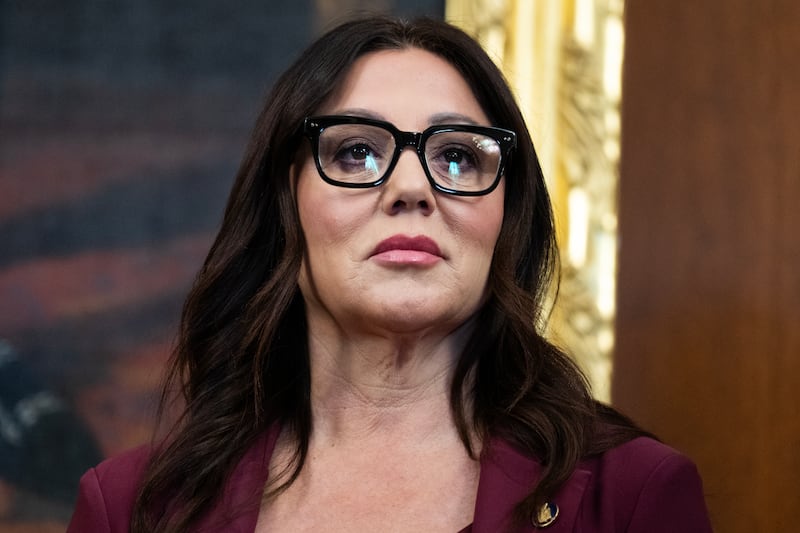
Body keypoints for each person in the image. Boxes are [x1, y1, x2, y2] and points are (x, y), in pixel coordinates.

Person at [67, 15, 713, 533]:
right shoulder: (131, 508)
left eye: (458, 157)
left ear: (506, 217)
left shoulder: (631, 496)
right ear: (285, 205)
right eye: (355, 151)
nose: (412, 187)